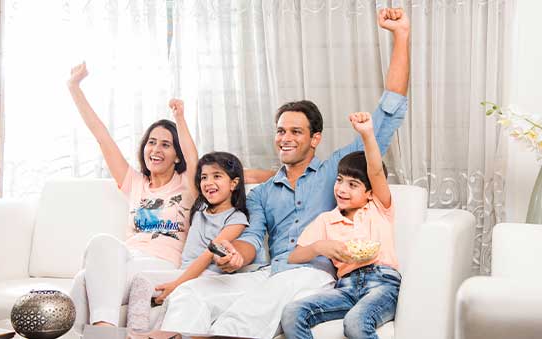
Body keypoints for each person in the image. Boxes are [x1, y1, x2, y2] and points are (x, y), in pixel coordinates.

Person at [159, 7, 410, 338]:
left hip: (314, 275)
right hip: (271, 272)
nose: (285, 138)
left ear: (315, 139)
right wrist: (236, 257)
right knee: (190, 293)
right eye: (281, 131)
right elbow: (251, 237)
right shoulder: (263, 192)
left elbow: (386, 115)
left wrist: (401, 37)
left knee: (253, 309)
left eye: (295, 131)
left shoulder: (334, 173)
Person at [66, 62, 198, 331]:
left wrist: (181, 119)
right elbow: (101, 136)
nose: (156, 149)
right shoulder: (134, 183)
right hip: (128, 258)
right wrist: (74, 88)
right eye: (151, 142)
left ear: (177, 155)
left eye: (165, 144)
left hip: (163, 266)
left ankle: (103, 333)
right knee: (101, 245)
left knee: (83, 281)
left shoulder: (188, 186)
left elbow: (194, 157)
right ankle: (104, 332)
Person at [282, 110, 400, 339]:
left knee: (355, 322)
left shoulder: (378, 207)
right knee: (292, 313)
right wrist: (319, 247)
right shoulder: (327, 219)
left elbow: (375, 170)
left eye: (353, 184)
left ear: (369, 192)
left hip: (382, 283)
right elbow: (293, 256)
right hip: (345, 287)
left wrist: (366, 134)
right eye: (339, 181)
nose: (342, 189)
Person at [126, 152, 250, 332]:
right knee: (142, 280)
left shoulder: (236, 219)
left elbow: (209, 255)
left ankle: (158, 334)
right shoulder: (200, 207)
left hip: (209, 275)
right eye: (204, 177)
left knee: (177, 299)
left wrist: (177, 284)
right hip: (185, 272)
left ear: (234, 183)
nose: (208, 182)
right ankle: (136, 334)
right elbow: (190, 156)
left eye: (217, 176)